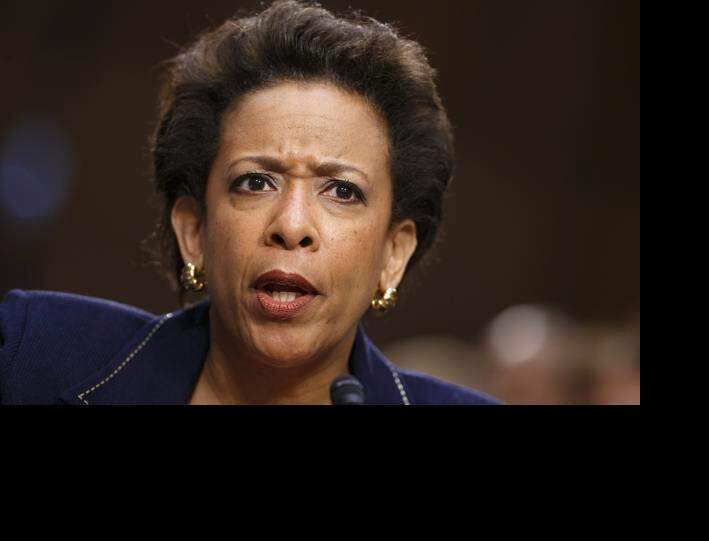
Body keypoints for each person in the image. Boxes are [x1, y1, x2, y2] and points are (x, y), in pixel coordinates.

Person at [0, 0, 498, 405]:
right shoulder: (34, 354)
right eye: (256, 182)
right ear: (194, 231)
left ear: (393, 253)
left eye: (342, 191)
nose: (292, 224)